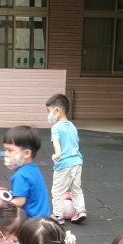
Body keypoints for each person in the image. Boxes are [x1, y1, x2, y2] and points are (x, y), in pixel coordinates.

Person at [1, 125, 51, 244]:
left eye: (10, 150)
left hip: (31, 223)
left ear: (26, 153)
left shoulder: (21, 175)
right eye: (5, 150)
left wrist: (1, 208)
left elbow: (20, 201)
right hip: (44, 220)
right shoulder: (33, 170)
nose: (6, 154)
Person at [45, 94, 86, 224]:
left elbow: (56, 140)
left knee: (57, 190)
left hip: (64, 163)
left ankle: (58, 215)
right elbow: (74, 143)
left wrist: (57, 153)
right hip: (77, 162)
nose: (48, 115)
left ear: (57, 111)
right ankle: (81, 211)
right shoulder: (72, 126)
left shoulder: (56, 127)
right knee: (76, 189)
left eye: (49, 111)